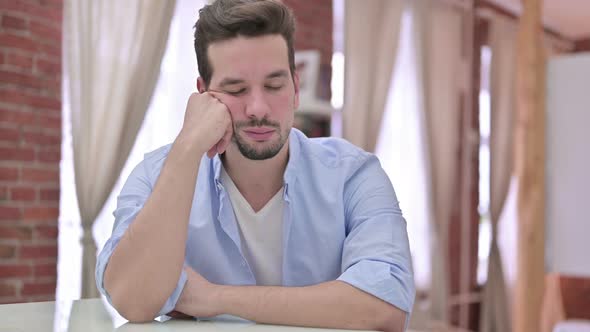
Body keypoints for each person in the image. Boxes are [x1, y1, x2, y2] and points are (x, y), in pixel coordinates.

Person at [96, 0, 414, 331]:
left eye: (274, 86)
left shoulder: (354, 175)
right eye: (236, 90)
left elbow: (384, 306)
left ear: (295, 88)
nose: (258, 108)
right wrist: (187, 147)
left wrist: (213, 298)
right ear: (202, 95)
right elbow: (132, 300)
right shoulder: (158, 173)